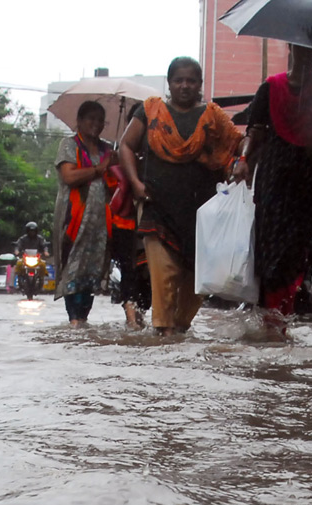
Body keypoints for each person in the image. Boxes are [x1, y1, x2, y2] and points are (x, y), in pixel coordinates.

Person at [118, 56, 242, 336]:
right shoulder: (149, 111)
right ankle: (164, 339)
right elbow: (125, 145)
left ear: (199, 84)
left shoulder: (213, 116)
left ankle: (175, 334)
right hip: (157, 209)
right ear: (169, 84)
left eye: (191, 80)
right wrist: (136, 183)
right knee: (163, 282)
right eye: (178, 80)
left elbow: (237, 143)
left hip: (202, 220)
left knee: (195, 288)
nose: (184, 85)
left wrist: (244, 157)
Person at [233, 43, 312, 335]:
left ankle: (281, 318)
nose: (307, 54)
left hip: (309, 178)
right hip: (273, 177)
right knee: (269, 248)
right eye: (301, 48)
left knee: (294, 251)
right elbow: (253, 130)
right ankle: (270, 318)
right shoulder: (270, 87)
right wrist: (243, 160)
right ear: (292, 48)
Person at [52, 102, 127, 326]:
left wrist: (115, 164)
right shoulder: (69, 145)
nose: (95, 124)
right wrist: (99, 168)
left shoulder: (107, 150)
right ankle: (73, 319)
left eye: (99, 120)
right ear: (79, 121)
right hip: (74, 218)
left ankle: (82, 320)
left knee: (93, 270)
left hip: (101, 222)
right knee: (73, 267)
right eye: (90, 119)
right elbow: (69, 176)